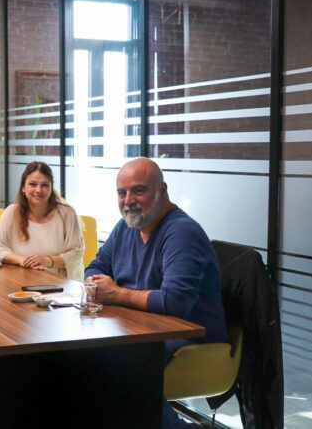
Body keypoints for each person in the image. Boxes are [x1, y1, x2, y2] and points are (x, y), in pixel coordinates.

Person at [84, 157, 226, 429]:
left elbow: (176, 301)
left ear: (163, 190)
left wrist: (114, 293)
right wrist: (95, 283)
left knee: (115, 364)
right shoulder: (125, 227)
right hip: (140, 329)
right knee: (80, 357)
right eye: (121, 193)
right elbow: (95, 266)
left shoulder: (181, 232)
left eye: (138, 190)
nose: (128, 200)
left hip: (190, 336)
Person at [0, 161, 85, 280]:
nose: (38, 190)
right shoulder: (12, 212)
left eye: (45, 185)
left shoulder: (67, 213)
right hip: (21, 278)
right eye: (33, 184)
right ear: (23, 188)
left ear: (51, 188)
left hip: (58, 282)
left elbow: (77, 252)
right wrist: (22, 260)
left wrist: (47, 261)